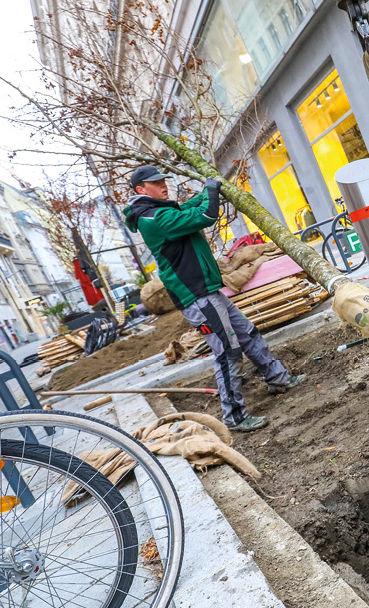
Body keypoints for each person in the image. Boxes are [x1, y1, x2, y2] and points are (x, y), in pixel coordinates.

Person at [123, 165, 305, 431]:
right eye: (156, 182)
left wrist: (214, 187)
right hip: (196, 297)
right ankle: (234, 417)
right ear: (141, 190)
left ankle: (278, 378)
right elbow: (206, 216)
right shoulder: (153, 219)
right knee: (227, 352)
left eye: (163, 180)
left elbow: (190, 208)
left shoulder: (162, 211)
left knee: (247, 333)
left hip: (207, 291)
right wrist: (211, 189)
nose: (163, 184)